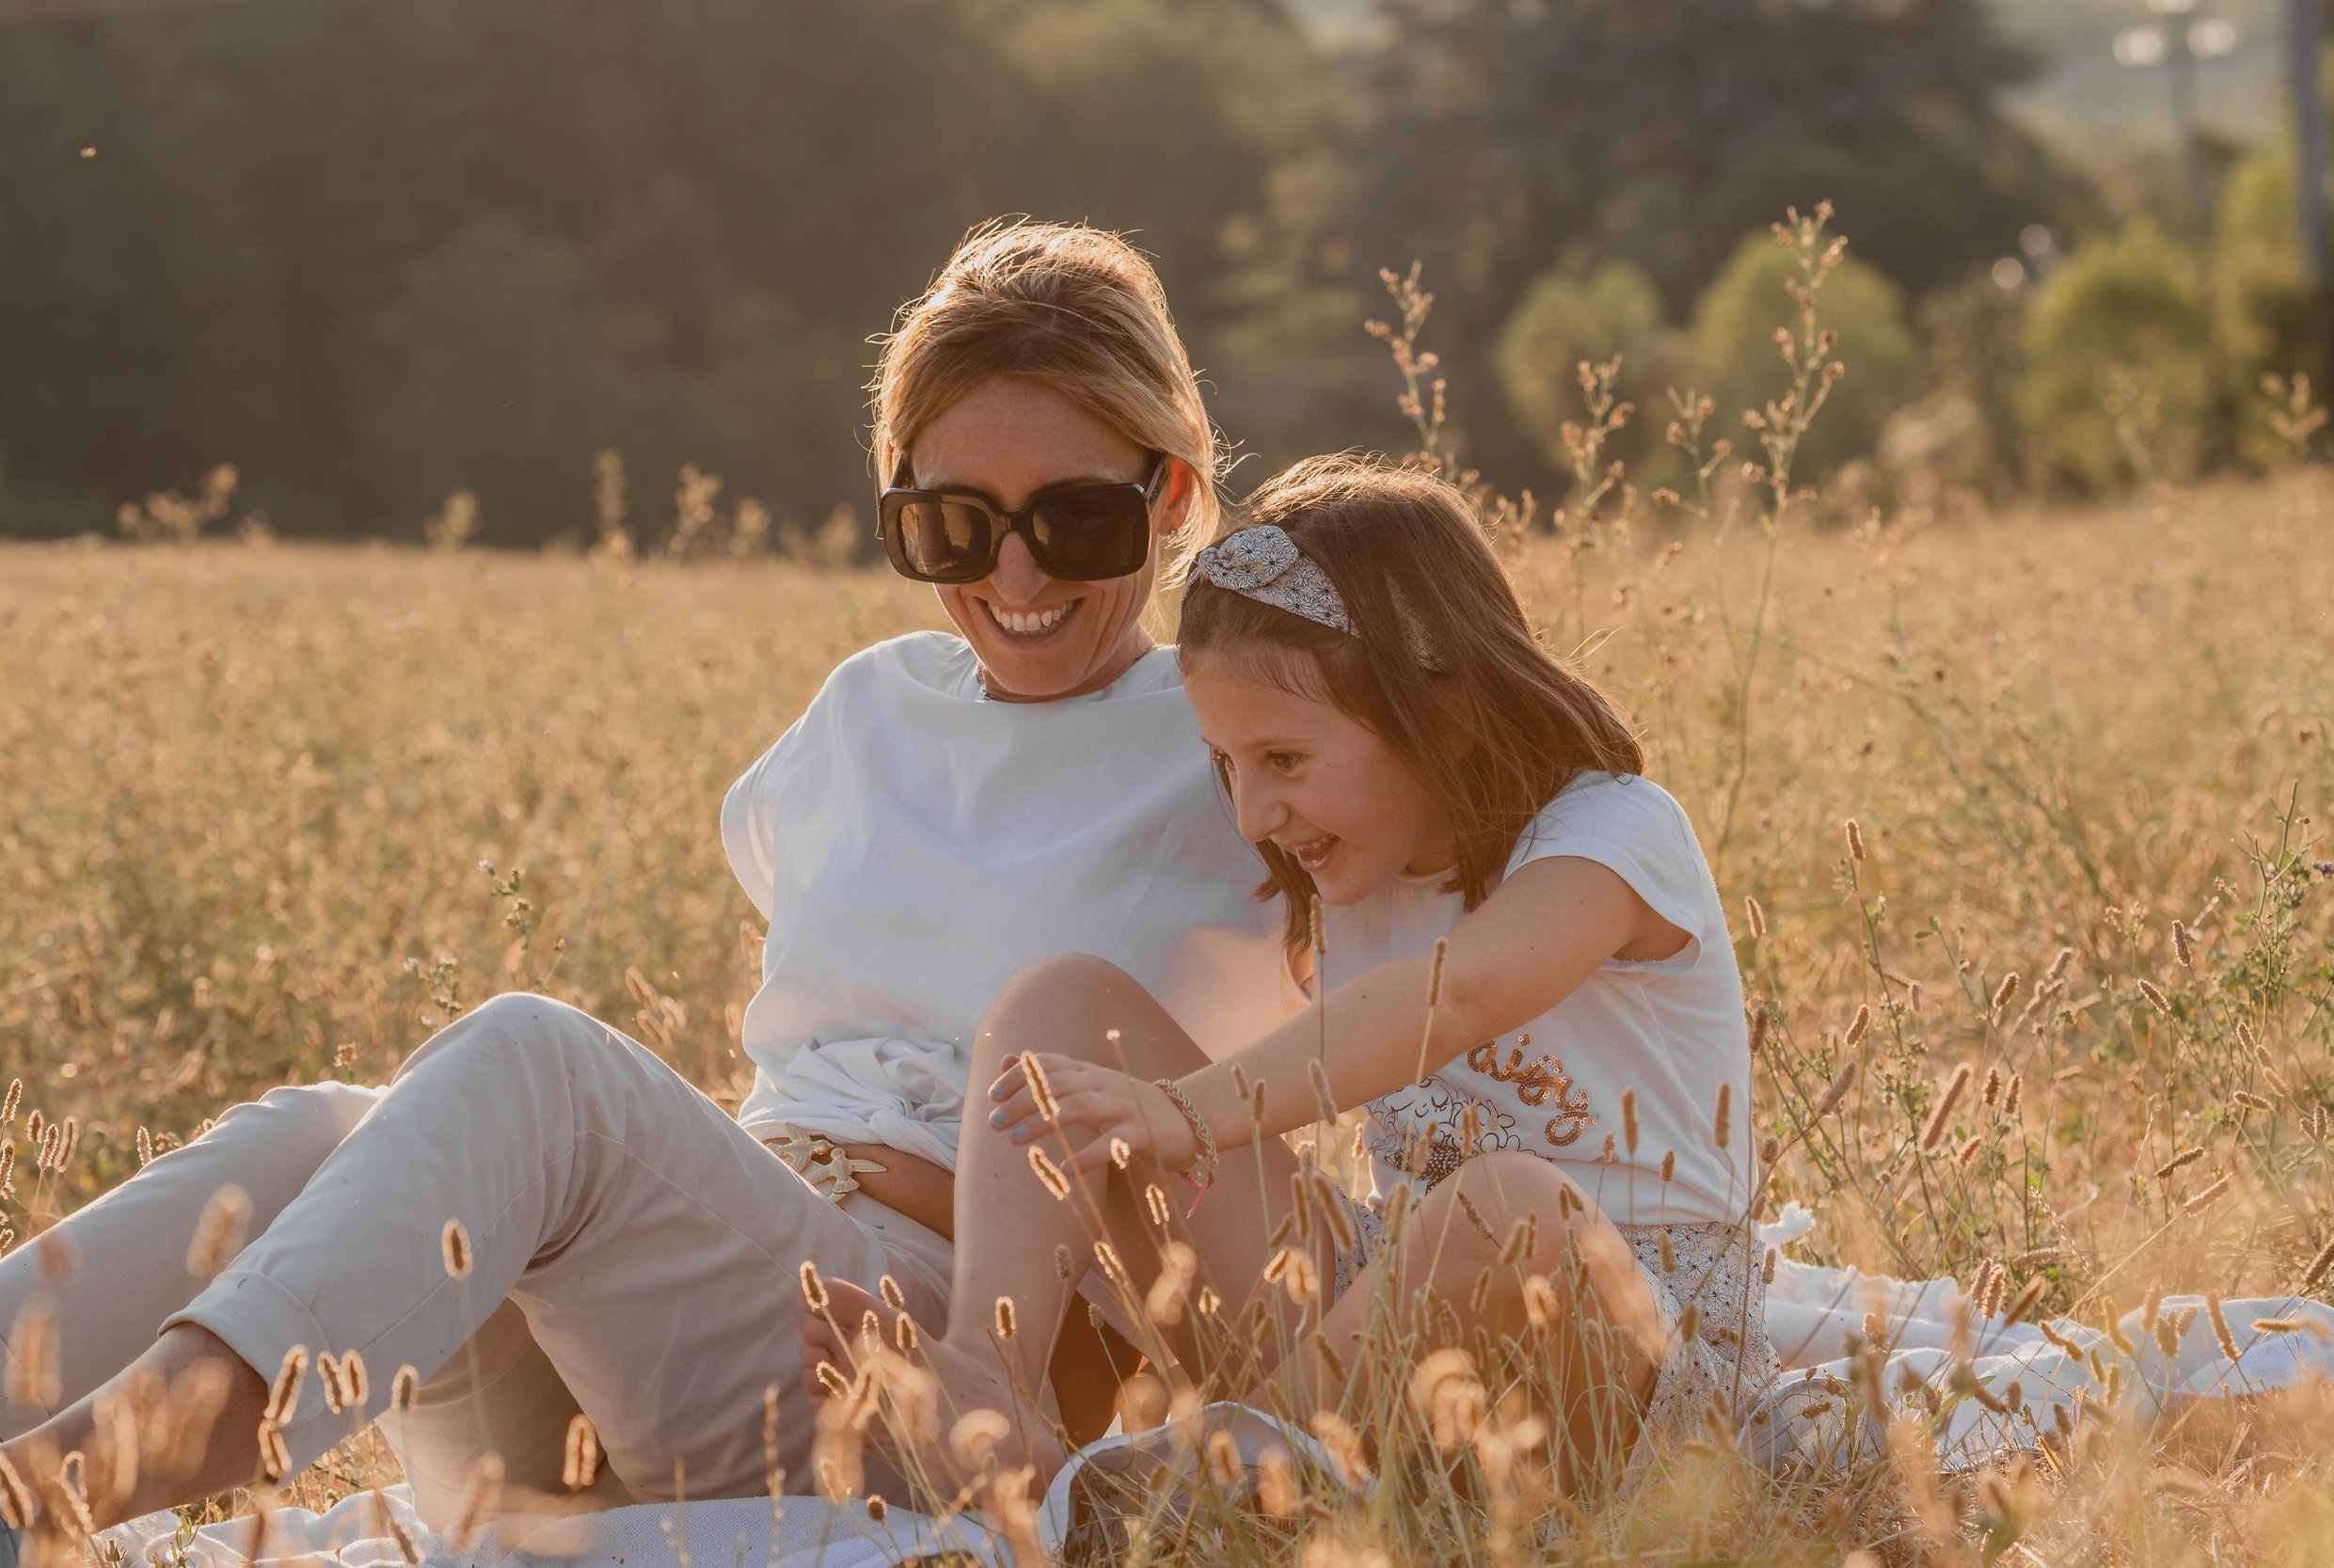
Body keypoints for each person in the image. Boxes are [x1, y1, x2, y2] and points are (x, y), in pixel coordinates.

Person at [0, 221, 1294, 1549]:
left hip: (924, 1361)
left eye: (1075, 518)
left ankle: (44, 1493)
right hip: (695, 1315)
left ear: (1177, 496)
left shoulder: (1244, 743)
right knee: (331, 1126)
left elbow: (1416, 989)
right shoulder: (865, 711)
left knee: (536, 1066)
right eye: (952, 524)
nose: (1013, 574)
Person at [806, 455, 1774, 1497]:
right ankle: (992, 1396)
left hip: (1630, 1363)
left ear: (1441, 710)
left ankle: (1200, 1489)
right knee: (1065, 1006)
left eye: (1284, 760)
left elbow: (1456, 996)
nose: (1251, 814)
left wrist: (1182, 1108)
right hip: (1382, 1341)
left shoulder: (1613, 836)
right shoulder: (1352, 861)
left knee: (1508, 1203)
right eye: (1226, 764)